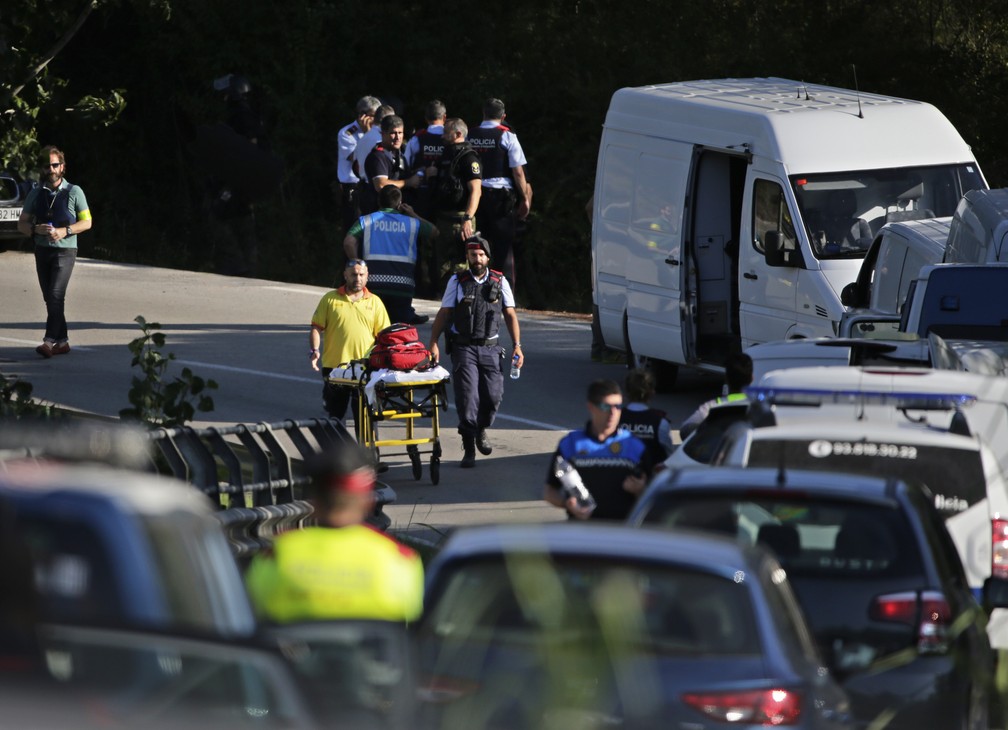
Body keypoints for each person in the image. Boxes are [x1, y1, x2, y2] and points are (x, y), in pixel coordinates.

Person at [245, 440, 424, 623]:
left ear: (313, 501)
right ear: (367, 502)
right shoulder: (399, 561)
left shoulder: (277, 556)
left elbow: (255, 619)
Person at [428, 234, 522, 468]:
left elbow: (510, 314)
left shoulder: (500, 281)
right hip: (464, 348)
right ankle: (469, 446)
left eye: (481, 255)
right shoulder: (457, 281)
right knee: (468, 397)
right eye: (472, 255)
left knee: (492, 397)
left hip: (491, 348)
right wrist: (433, 341)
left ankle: (481, 429)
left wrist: (517, 347)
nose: (477, 259)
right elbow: (445, 312)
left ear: (488, 257)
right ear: (467, 257)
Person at [17, 146, 92, 358]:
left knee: (56, 294)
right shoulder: (35, 193)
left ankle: (48, 342)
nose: (51, 169)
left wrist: (64, 231)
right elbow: (21, 223)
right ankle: (63, 341)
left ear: (63, 167)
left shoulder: (74, 192)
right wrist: (34, 229)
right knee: (50, 298)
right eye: (47, 165)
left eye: (55, 165)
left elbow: (87, 222)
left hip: (65, 251)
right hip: (42, 250)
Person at [544, 379, 652, 521]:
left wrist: (641, 491)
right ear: (591, 407)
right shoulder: (570, 444)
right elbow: (550, 492)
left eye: (618, 406)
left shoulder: (635, 446)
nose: (613, 413)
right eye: (606, 406)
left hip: (622, 533)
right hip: (583, 532)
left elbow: (654, 497)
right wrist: (567, 504)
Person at [310, 259, 391, 440]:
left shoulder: (375, 302)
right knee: (334, 417)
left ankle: (370, 459)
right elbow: (316, 327)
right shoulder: (330, 299)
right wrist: (314, 349)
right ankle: (338, 460)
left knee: (365, 417)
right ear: (345, 275)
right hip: (335, 369)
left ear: (367, 276)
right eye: (353, 274)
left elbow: (385, 337)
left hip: (364, 370)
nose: (358, 278)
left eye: (362, 274)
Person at [343, 185, 437, 324]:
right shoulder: (412, 223)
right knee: (399, 332)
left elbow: (349, 242)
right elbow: (435, 232)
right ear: (399, 204)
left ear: (379, 201)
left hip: (374, 286)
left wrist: (357, 263)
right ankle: (408, 314)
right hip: (403, 289)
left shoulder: (367, 220)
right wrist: (413, 214)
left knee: (373, 329)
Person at [467, 98, 531, 291]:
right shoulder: (507, 136)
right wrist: (525, 198)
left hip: (476, 196)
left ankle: (477, 285)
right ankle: (501, 289)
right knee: (502, 246)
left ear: (483, 113)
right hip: (501, 198)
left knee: (479, 243)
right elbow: (518, 171)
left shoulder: (470, 134)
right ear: (503, 117)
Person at [427, 118, 482, 291]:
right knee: (442, 266)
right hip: (443, 218)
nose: (442, 136)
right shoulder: (446, 155)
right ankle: (445, 304)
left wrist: (467, 218)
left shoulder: (468, 158)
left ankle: (463, 302)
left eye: (446, 132)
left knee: (460, 264)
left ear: (458, 134)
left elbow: (476, 191)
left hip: (460, 218)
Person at [404, 99, 447, 297]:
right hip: (445, 198)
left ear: (425, 118)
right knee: (443, 242)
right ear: (444, 117)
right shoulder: (451, 135)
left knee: (420, 242)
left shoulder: (417, 139)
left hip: (420, 196)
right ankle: (442, 287)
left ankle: (421, 287)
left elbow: (406, 166)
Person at [679, 352, 754, 439]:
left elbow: (685, 429)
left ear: (726, 379)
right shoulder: (761, 407)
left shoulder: (712, 406)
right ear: (752, 378)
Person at [359, 114, 422, 217]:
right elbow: (381, 185)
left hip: (396, 215)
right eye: (393, 133)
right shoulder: (378, 156)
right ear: (383, 134)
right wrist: (408, 182)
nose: (397, 137)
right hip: (379, 217)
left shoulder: (399, 153)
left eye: (400, 133)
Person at [336, 95, 381, 232]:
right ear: (363, 116)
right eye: (375, 116)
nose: (378, 119)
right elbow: (358, 158)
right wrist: (368, 134)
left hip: (372, 185)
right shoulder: (347, 133)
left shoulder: (378, 131)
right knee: (354, 229)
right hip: (353, 187)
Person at [619, 369, 673, 462]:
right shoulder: (660, 422)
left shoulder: (614, 419)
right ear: (652, 392)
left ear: (626, 391)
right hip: (651, 474)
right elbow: (668, 457)